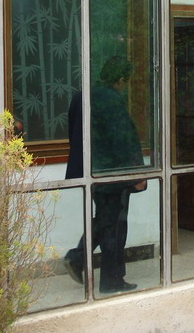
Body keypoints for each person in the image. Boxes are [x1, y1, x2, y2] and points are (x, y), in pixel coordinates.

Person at [63, 56, 146, 294]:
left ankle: (85, 262)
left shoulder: (81, 96)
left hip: (91, 172)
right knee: (114, 225)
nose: (125, 86)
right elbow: (122, 140)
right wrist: (136, 174)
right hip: (112, 173)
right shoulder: (111, 100)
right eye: (126, 81)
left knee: (106, 220)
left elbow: (74, 134)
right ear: (120, 79)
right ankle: (103, 274)